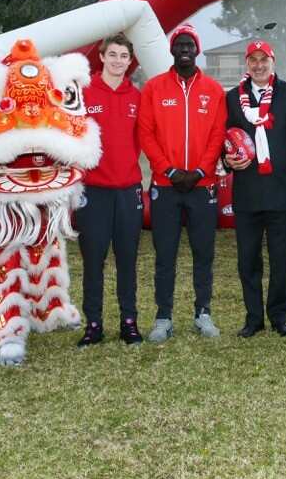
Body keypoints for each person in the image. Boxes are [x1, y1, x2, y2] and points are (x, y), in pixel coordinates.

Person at [138, 23, 226, 342]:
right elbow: (145, 134)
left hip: (203, 187)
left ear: (197, 50)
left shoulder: (214, 90)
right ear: (172, 50)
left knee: (204, 253)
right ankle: (163, 317)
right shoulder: (154, 88)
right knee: (166, 254)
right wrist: (170, 171)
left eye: (190, 44)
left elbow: (218, 134)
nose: (185, 49)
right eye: (180, 44)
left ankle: (203, 313)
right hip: (165, 186)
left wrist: (201, 171)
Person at [223, 39, 286, 338]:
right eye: (253, 60)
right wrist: (228, 159)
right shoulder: (233, 98)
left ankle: (279, 316)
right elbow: (226, 139)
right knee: (248, 258)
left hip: (282, 189)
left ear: (273, 61)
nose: (258, 65)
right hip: (247, 191)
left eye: (264, 59)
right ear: (247, 64)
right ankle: (253, 317)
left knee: (281, 258)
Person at [76, 33, 146, 347]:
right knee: (93, 260)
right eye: (113, 55)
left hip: (128, 189)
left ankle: (129, 323)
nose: (118, 61)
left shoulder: (137, 96)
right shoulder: (83, 92)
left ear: (130, 62)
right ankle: (93, 324)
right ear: (102, 57)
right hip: (93, 191)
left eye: (124, 57)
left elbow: (143, 141)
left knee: (127, 258)